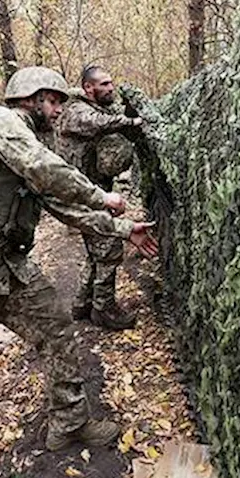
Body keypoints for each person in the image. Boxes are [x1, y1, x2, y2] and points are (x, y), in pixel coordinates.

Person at [0, 66, 159, 478]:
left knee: (58, 330)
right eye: (56, 100)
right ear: (32, 97)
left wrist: (122, 229)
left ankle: (68, 422)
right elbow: (45, 170)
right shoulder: (0, 123)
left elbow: (59, 203)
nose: (61, 109)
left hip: (6, 264)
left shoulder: (29, 139)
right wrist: (102, 196)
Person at [56, 65, 145, 330]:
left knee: (95, 250)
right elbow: (97, 123)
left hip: (91, 190)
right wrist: (133, 123)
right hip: (83, 193)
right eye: (104, 84)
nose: (110, 88)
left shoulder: (96, 107)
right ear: (88, 88)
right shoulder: (76, 111)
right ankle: (104, 310)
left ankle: (83, 304)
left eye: (111, 83)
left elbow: (108, 117)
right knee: (108, 247)